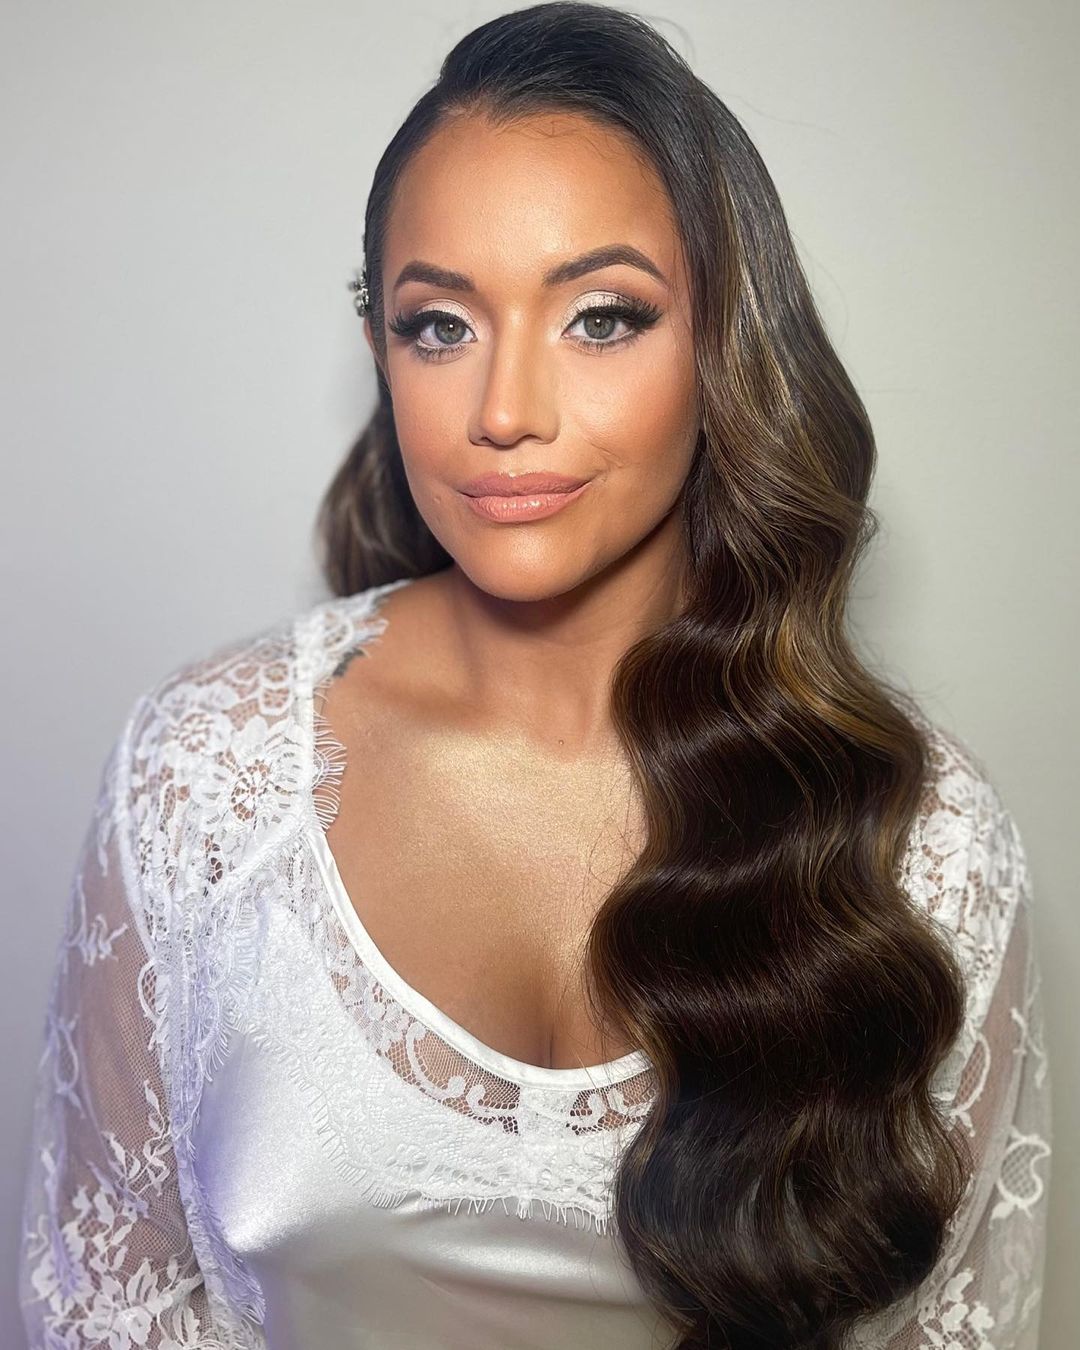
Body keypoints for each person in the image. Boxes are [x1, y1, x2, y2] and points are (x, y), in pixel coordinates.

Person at [18, 3, 1052, 1348]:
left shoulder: (925, 844)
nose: (505, 411)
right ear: (383, 350)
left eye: (602, 318)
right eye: (439, 325)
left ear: (726, 340)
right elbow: (102, 1301)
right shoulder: (208, 778)